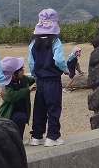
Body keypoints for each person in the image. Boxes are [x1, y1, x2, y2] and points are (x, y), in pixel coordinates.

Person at [28, 8, 69, 147]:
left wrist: (35, 75)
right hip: (53, 80)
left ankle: (36, 136)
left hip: (40, 80)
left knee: (39, 109)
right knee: (53, 108)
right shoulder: (55, 41)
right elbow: (58, 59)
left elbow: (31, 63)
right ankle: (52, 136)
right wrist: (65, 70)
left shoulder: (34, 42)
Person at [0, 56, 36, 143]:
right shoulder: (5, 85)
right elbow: (11, 96)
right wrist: (28, 90)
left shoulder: (23, 79)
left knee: (22, 118)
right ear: (13, 74)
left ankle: (18, 139)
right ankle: (15, 141)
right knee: (20, 118)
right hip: (9, 115)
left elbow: (32, 80)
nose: (23, 70)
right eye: (21, 69)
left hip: (21, 112)